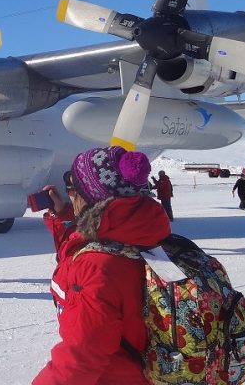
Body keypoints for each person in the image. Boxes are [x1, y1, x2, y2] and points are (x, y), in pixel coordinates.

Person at [34, 146, 172, 385]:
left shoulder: (94, 267)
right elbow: (91, 239)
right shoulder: (149, 240)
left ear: (91, 197)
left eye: (73, 189)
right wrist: (61, 216)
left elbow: (81, 359)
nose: (70, 196)